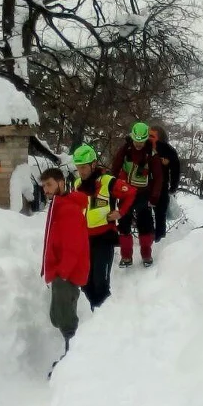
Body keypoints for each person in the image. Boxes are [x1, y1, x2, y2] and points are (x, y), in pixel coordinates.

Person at [39, 168, 90, 373]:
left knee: (66, 319)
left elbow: (73, 246)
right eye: (43, 186)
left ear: (61, 183)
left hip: (66, 273)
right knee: (58, 316)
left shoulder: (68, 209)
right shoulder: (57, 206)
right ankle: (72, 357)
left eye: (49, 185)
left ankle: (73, 362)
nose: (46, 190)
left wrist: (63, 272)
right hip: (60, 272)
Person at [71, 144, 134, 307]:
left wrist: (120, 212)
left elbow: (131, 192)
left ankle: (104, 320)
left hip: (104, 238)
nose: (81, 171)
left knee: (100, 282)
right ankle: (93, 318)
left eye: (84, 167)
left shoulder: (108, 182)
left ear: (93, 164)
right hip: (84, 240)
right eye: (78, 168)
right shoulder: (77, 184)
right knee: (85, 282)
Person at [110, 122, 163, 267]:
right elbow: (115, 168)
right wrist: (111, 187)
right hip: (125, 192)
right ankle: (126, 256)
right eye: (136, 141)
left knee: (145, 224)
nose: (138, 144)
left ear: (146, 139)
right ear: (132, 138)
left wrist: (154, 196)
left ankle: (146, 254)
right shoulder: (125, 150)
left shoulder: (151, 154)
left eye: (141, 141)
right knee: (124, 223)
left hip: (143, 193)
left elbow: (158, 177)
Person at [149, 126, 181, 241]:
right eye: (148, 135)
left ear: (160, 138)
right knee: (145, 215)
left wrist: (173, 187)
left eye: (152, 136)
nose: (148, 138)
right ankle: (147, 239)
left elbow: (175, 170)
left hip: (161, 188)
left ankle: (160, 241)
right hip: (144, 187)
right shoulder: (143, 147)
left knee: (160, 215)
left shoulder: (168, 151)